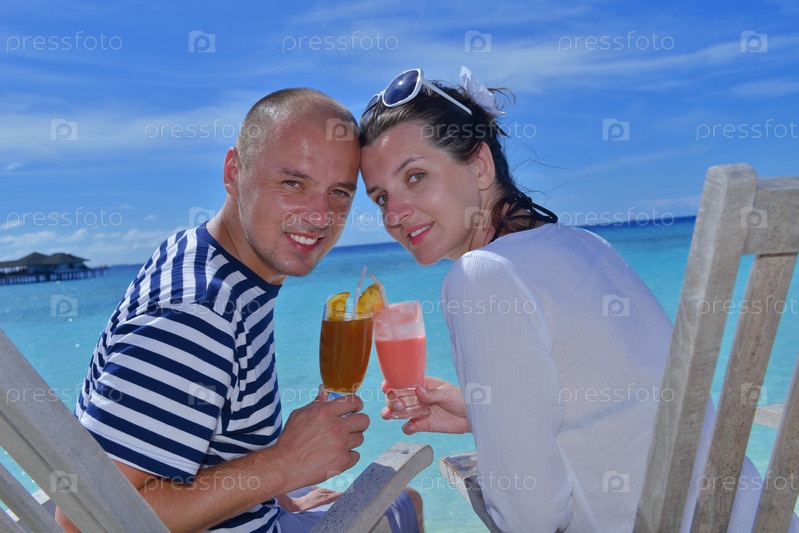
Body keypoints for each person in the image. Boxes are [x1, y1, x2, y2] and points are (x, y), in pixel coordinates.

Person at [358, 68, 789, 531]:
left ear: (480, 165)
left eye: (416, 176)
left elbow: (531, 517)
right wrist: (486, 414)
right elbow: (623, 405)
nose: (395, 214)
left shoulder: (482, 275)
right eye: (381, 198)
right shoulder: (585, 245)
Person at [57, 89, 422, 533]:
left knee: (400, 500)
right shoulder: (197, 315)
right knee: (406, 502)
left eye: (339, 193)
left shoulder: (205, 255)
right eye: (293, 183)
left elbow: (206, 437)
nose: (319, 215)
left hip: (258, 512)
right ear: (234, 172)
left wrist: (280, 494)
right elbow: (85, 520)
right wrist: (283, 465)